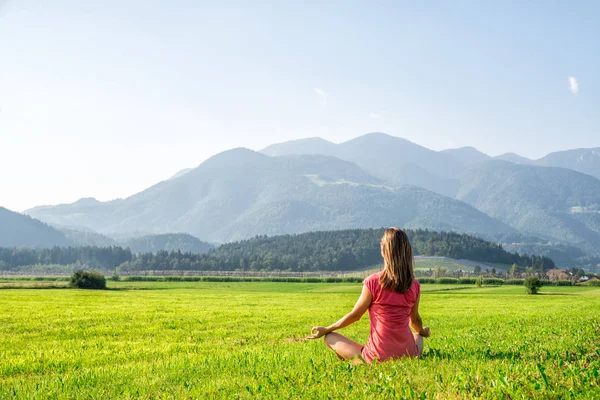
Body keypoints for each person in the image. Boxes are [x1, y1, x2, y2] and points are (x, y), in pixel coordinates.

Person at [306, 227, 430, 363]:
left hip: (377, 357)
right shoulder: (414, 285)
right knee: (418, 336)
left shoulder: (373, 282)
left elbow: (355, 315)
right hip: (408, 354)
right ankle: (407, 353)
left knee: (329, 337)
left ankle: (356, 359)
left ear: (383, 251)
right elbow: (415, 321)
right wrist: (422, 332)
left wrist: (327, 329)